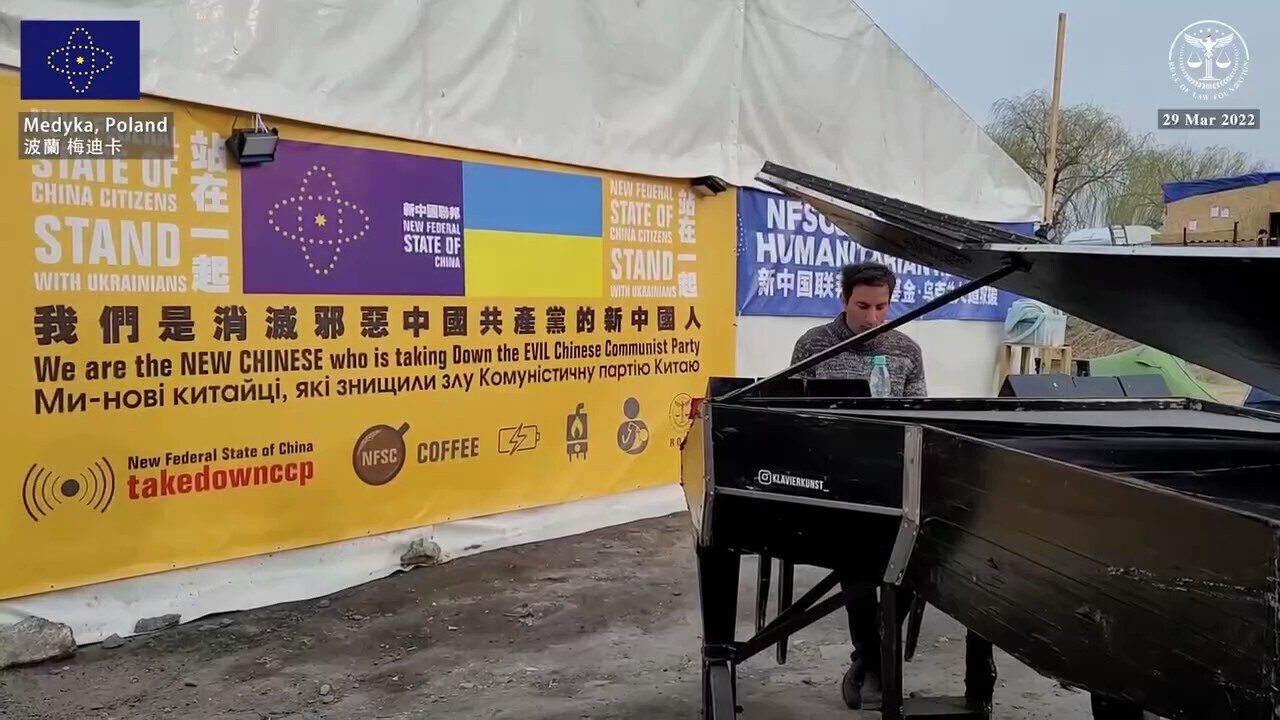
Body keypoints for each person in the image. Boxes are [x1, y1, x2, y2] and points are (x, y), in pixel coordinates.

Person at [788, 261, 925, 709]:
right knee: (858, 553)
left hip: (890, 478)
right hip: (832, 482)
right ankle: (878, 659)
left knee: (913, 553)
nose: (872, 317)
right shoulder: (813, 346)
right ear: (844, 299)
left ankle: (869, 657)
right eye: (863, 305)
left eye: (881, 307)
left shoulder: (906, 349)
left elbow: (919, 419)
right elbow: (794, 418)